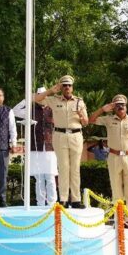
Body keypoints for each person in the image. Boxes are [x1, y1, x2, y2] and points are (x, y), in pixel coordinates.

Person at [35, 76, 88, 208]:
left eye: (69, 85)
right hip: (60, 135)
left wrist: (82, 117)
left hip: (76, 135)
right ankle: (63, 199)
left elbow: (86, 122)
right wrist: (50, 91)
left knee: (75, 169)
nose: (67, 87)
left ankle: (76, 200)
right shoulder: (54, 100)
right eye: (64, 85)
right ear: (61, 87)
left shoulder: (79, 101)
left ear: (72, 87)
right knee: (63, 168)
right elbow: (36, 99)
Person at [88, 95, 128, 212]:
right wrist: (103, 109)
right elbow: (90, 120)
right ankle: (119, 217)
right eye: (117, 105)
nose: (120, 107)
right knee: (116, 189)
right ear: (113, 107)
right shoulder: (108, 119)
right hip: (114, 156)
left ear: (126, 107)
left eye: (122, 104)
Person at [13, 87, 58, 207]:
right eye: (39, 95)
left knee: (50, 177)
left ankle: (52, 204)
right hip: (35, 148)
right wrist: (28, 99)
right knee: (39, 179)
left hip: (50, 147)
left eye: (44, 95)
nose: (42, 97)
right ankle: (40, 204)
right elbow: (15, 111)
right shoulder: (30, 110)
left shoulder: (53, 109)